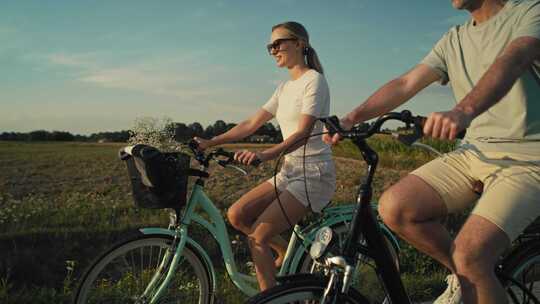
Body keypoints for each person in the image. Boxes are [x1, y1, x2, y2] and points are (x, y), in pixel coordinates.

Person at [324, 0, 540, 303]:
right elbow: (405, 83)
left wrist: (463, 110)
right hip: (474, 152)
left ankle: (473, 271)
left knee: (471, 255)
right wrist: (351, 117)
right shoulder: (454, 38)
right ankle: (469, 279)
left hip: (529, 158)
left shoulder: (529, 11)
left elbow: (513, 60)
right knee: (396, 207)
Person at [194, 21, 336, 291]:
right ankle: (285, 254)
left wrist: (265, 155)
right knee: (237, 215)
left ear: (299, 44)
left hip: (313, 175)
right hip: (290, 172)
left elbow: (304, 133)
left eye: (278, 43)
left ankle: (271, 298)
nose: (273, 50)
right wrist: (210, 142)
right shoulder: (284, 88)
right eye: (269, 46)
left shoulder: (314, 81)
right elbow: (251, 124)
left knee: (258, 238)